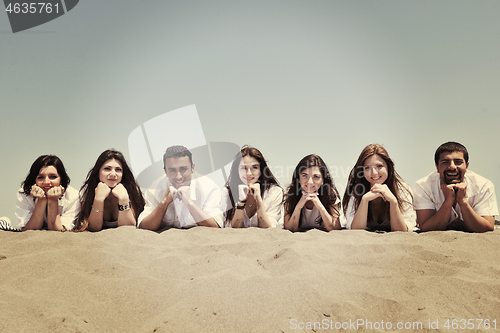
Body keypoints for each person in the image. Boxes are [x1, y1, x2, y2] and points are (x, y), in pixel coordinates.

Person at [414, 141, 498, 232]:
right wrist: (448, 200)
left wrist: (462, 201)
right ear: (437, 167)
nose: (452, 167)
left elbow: (487, 228)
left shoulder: (483, 185)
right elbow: (427, 228)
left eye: (458, 162)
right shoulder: (424, 186)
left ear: (467, 166)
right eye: (445, 162)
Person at [138, 145, 222, 230]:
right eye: (172, 170)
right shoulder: (155, 189)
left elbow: (216, 225)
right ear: (165, 171)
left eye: (183, 169)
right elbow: (144, 226)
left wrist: (189, 203)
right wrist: (164, 202)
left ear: (192, 168)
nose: (178, 176)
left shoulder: (208, 187)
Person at [343, 144, 415, 232]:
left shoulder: (402, 189)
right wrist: (365, 200)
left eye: (379, 166)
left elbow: (402, 231)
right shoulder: (356, 191)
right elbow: (355, 231)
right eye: (367, 168)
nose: (374, 173)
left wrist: (393, 202)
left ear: (388, 167)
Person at [75, 149, 145, 232]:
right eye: (107, 169)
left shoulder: (131, 190)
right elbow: (93, 228)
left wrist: (123, 199)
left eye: (118, 170)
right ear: (98, 173)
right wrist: (98, 199)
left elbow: (128, 228)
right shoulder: (88, 190)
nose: (113, 174)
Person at [222, 146, 283, 228]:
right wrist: (241, 203)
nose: (249, 173)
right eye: (244, 168)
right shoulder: (228, 192)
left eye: (254, 167)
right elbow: (232, 228)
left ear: (261, 170)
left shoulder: (274, 192)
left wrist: (258, 200)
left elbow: (268, 228)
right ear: (237, 171)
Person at [15, 155, 80, 231]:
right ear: (34, 180)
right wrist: (41, 200)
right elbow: (29, 229)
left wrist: (53, 200)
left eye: (52, 177)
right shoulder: (23, 194)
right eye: (40, 177)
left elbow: (58, 230)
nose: (46, 182)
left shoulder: (73, 196)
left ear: (61, 179)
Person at [284, 154, 341, 232]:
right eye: (304, 176)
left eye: (316, 177)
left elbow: (335, 228)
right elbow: (289, 229)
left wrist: (320, 207)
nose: (310, 182)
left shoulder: (330, 193)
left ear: (322, 181)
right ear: (298, 179)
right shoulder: (290, 194)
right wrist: (298, 207)